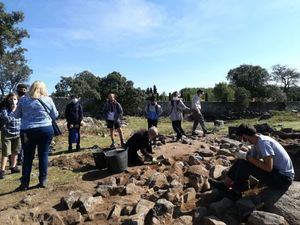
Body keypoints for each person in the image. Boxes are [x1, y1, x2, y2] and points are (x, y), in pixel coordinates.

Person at [211, 123, 294, 201]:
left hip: (283, 179)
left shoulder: (264, 143)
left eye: (241, 139)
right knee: (242, 160)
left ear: (244, 136)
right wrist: (241, 154)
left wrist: (246, 157)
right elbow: (252, 158)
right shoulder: (257, 141)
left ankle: (237, 192)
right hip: (277, 174)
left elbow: (268, 168)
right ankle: (226, 184)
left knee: (245, 164)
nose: (241, 141)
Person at [13, 81, 59, 190]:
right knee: (43, 155)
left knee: (28, 157)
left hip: (27, 131)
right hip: (45, 129)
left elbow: (16, 115)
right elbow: (55, 115)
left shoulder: (23, 100)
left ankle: (25, 183)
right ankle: (43, 180)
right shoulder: (48, 99)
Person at [0, 93, 21, 179]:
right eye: (11, 99)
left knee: (15, 151)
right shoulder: (4, 109)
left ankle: (13, 166)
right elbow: (6, 119)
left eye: (15, 99)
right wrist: (13, 111)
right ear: (7, 100)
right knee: (6, 153)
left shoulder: (19, 108)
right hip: (7, 134)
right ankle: (2, 170)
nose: (13, 101)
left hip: (17, 133)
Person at [16, 83, 28, 164]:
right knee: (23, 144)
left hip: (20, 125)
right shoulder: (28, 100)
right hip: (24, 125)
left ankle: (21, 158)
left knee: (20, 143)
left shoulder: (18, 100)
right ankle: (21, 158)